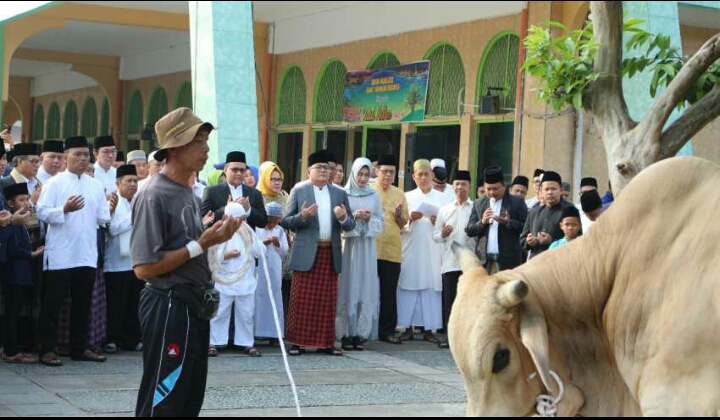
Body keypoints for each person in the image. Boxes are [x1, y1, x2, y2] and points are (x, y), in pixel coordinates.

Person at [131, 108, 241, 417]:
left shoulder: (190, 194)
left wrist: (213, 238)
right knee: (165, 394)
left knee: (189, 396)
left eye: (206, 140)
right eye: (199, 141)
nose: (206, 149)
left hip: (192, 305)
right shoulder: (154, 194)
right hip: (168, 304)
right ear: (175, 147)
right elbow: (144, 268)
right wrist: (201, 244)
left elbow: (192, 247)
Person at [36, 136, 112, 367]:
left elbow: (102, 217)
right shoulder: (55, 184)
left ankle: (80, 348)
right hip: (60, 254)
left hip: (86, 253)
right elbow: (42, 212)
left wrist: (111, 207)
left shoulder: (96, 185)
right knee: (53, 304)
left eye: (85, 155)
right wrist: (65, 209)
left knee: (83, 303)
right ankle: (47, 349)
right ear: (66, 157)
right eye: (76, 154)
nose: (81, 159)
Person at [281, 150, 355, 356]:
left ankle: (326, 342)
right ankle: (296, 342)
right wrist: (303, 216)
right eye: (319, 167)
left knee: (327, 301)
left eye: (327, 167)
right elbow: (285, 221)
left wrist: (342, 218)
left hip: (329, 253)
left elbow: (350, 224)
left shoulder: (339, 193)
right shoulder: (299, 190)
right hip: (306, 253)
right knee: (301, 300)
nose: (324, 171)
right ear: (308, 171)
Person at [337, 158, 383, 351]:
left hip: (367, 246)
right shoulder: (343, 194)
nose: (363, 178)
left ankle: (361, 333)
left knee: (364, 283)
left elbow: (382, 221)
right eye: (360, 174)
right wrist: (353, 217)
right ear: (353, 174)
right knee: (348, 283)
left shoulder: (374, 195)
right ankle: (347, 332)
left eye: (366, 174)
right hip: (349, 245)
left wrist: (370, 217)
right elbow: (338, 220)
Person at [397, 159, 446, 344]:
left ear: (432, 175)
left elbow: (447, 226)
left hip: (433, 249)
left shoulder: (443, 199)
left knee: (430, 288)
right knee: (408, 286)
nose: (424, 178)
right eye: (420, 175)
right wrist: (409, 219)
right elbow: (398, 224)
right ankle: (406, 328)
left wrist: (437, 222)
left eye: (427, 174)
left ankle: (429, 329)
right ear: (414, 177)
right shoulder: (406, 197)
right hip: (411, 248)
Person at [208, 203, 266, 358]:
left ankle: (246, 343)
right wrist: (226, 255)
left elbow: (261, 252)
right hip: (224, 281)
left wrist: (252, 240)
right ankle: (213, 342)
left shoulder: (250, 233)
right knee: (219, 313)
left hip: (245, 281)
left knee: (246, 314)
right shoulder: (219, 232)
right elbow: (211, 255)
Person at [1, 183, 44, 364]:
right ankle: (10, 351)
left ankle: (17, 348)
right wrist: (31, 254)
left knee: (18, 312)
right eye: (21, 200)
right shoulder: (10, 222)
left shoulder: (22, 221)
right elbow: (12, 249)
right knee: (11, 312)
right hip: (14, 274)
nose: (26, 203)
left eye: (27, 199)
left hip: (23, 274)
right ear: (11, 203)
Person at [103, 164, 143, 354]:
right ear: (118, 183)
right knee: (116, 304)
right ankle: (113, 339)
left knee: (134, 303)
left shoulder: (139, 201)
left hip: (136, 262)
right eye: (129, 181)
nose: (134, 185)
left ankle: (132, 339)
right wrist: (134, 215)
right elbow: (112, 229)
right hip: (116, 263)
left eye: (136, 181)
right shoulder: (112, 202)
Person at [433, 170, 474, 349]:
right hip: (449, 262)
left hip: (470, 263)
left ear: (469, 186)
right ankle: (450, 338)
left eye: (463, 184)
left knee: (469, 301)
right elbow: (435, 236)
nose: (459, 187)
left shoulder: (476, 208)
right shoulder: (445, 209)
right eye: (456, 184)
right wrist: (442, 233)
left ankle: (467, 338)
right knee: (449, 302)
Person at [371, 154, 408, 345]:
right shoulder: (369, 189)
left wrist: (400, 215)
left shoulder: (399, 193)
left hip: (392, 250)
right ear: (377, 171)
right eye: (384, 171)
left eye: (391, 172)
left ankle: (387, 331)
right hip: (370, 249)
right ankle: (364, 331)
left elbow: (403, 224)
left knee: (389, 294)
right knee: (367, 292)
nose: (387, 175)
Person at [466, 167, 528, 275]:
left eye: (495, 189)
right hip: (484, 261)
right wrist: (482, 222)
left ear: (504, 186)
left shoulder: (517, 202)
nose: (492, 192)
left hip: (508, 261)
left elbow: (526, 227)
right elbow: (470, 230)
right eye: (488, 189)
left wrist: (509, 222)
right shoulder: (478, 203)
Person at [202, 151, 267, 230]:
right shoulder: (211, 192)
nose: (239, 173)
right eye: (235, 170)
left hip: (246, 240)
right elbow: (203, 221)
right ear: (225, 170)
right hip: (220, 240)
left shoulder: (254, 193)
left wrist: (249, 210)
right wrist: (226, 209)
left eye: (242, 170)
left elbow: (263, 222)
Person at [254, 202, 289, 345]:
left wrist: (277, 243)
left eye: (275, 222)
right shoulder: (256, 228)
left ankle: (275, 333)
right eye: (270, 221)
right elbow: (253, 247)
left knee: (274, 296)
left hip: (274, 269)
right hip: (259, 269)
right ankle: (256, 332)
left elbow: (284, 251)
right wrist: (264, 242)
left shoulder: (280, 231)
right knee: (258, 296)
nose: (272, 225)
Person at [520, 171, 574, 260]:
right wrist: (529, 241)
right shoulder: (533, 212)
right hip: (535, 263)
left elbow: (576, 241)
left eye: (553, 189)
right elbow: (522, 240)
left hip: (559, 263)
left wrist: (551, 241)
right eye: (546, 189)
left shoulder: (569, 211)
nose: (550, 192)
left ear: (560, 190)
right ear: (541, 191)